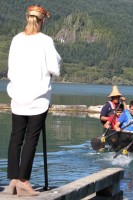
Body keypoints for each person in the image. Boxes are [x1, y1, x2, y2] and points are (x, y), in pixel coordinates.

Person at [6, 5, 61, 196]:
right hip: (38, 98)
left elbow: (11, 69)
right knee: (31, 138)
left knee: (16, 138)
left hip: (18, 96)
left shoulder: (16, 39)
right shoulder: (45, 41)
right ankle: (23, 181)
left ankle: (13, 180)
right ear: (43, 21)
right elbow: (55, 68)